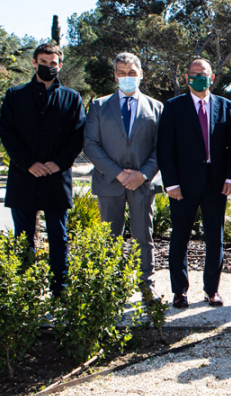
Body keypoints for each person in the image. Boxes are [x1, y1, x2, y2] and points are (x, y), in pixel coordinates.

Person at [0, 43, 86, 295]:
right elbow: (8, 134)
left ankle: (60, 290)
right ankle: (25, 291)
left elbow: (77, 136)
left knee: (59, 237)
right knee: (23, 238)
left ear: (60, 64)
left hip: (56, 178)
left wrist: (57, 163)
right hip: (23, 177)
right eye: (44, 61)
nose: (49, 66)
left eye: (54, 62)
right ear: (34, 63)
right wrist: (29, 164)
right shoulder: (15, 96)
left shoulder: (72, 98)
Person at [157, 59, 231, 309]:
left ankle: (211, 290)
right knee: (179, 238)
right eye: (193, 74)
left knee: (215, 238)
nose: (198, 78)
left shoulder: (225, 106)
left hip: (216, 183)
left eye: (202, 74)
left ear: (212, 78)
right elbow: (164, 148)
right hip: (183, 185)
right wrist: (170, 184)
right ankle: (179, 292)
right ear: (186, 78)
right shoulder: (173, 107)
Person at [83, 52, 164, 297]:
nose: (127, 77)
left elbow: (161, 147)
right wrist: (118, 174)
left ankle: (146, 286)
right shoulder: (99, 105)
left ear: (140, 74)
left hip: (143, 183)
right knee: (110, 238)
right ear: (115, 76)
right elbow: (90, 145)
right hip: (109, 182)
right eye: (122, 73)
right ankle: (111, 288)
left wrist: (143, 174)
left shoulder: (156, 107)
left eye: (132, 73)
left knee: (144, 237)